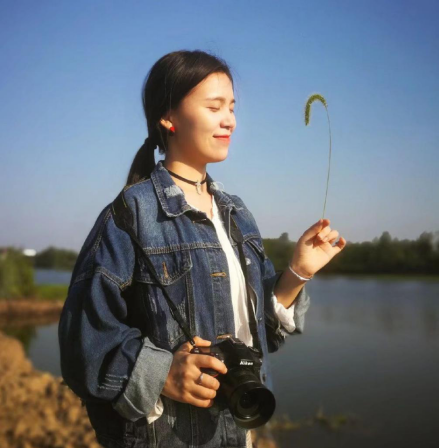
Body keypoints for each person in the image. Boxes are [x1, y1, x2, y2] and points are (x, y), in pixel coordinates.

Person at [58, 49, 346, 448]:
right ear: (168, 117)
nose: (229, 120)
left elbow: (262, 336)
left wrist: (298, 273)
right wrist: (163, 374)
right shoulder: (130, 215)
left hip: (239, 433)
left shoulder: (237, 213)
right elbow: (82, 344)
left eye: (232, 107)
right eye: (214, 107)